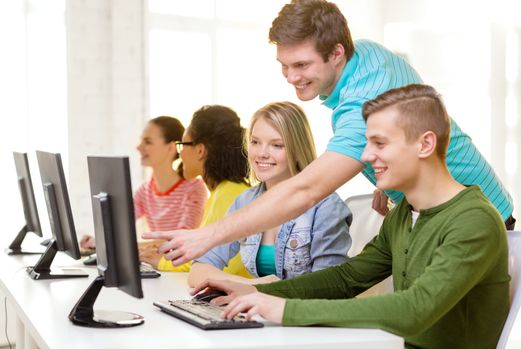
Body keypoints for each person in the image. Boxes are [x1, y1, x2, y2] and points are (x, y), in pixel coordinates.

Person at [143, 0, 514, 266]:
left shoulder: (361, 103)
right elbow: (409, 123)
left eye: (301, 65)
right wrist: (387, 181)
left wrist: (209, 235)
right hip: (434, 212)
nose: (291, 78)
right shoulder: (365, 53)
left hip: (478, 217)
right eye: (284, 66)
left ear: (337, 53)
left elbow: (307, 189)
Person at [193, 84, 510, 349]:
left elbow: (414, 309)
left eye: (379, 143)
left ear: (425, 144)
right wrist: (258, 293)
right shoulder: (403, 216)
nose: (366, 156)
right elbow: (346, 278)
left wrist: (284, 308)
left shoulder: (474, 220)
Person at [188, 101, 352, 287]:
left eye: (277, 145)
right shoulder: (245, 200)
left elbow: (328, 287)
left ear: (297, 149)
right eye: (255, 142)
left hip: (306, 313)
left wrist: (266, 292)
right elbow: (198, 271)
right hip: (261, 310)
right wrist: (254, 287)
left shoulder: (326, 205)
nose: (261, 153)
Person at [140, 105, 252, 277]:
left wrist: (162, 262)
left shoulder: (229, 195)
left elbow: (212, 264)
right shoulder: (222, 192)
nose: (181, 154)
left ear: (200, 150)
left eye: (182, 145)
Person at [80, 116, 207, 259]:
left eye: (148, 142)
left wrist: (114, 245)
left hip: (181, 269)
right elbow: (120, 224)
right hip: (158, 266)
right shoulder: (145, 191)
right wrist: (99, 240)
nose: (139, 147)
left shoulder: (194, 189)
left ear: (171, 147)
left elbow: (180, 241)